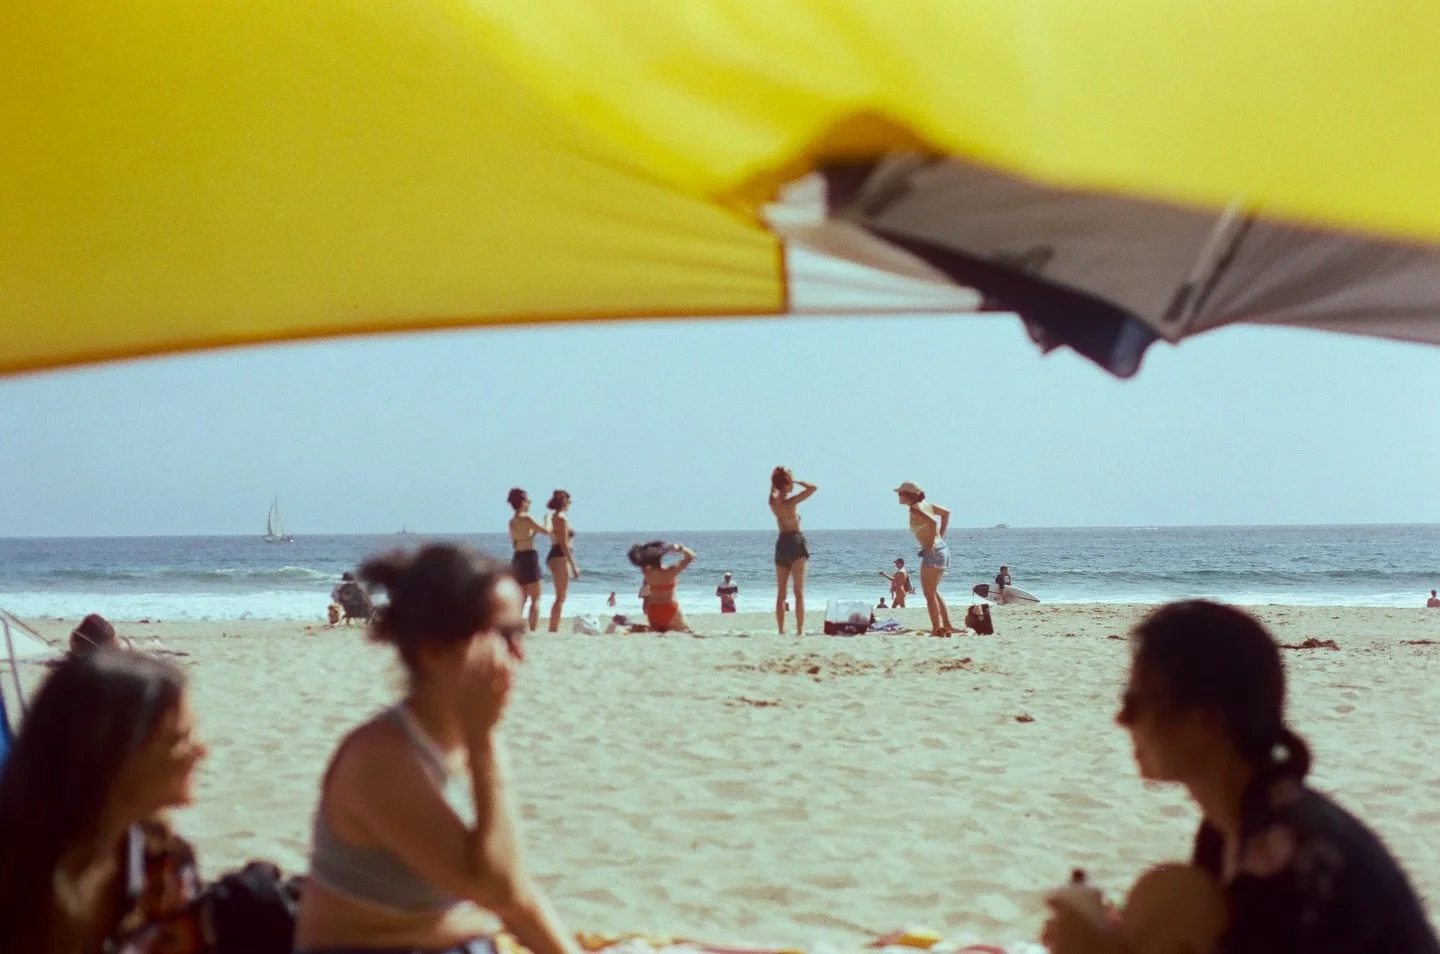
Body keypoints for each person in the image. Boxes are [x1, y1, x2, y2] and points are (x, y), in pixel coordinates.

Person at [1043, 600, 1440, 954]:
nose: (1121, 720)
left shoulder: (1285, 853)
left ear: (1206, 721)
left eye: (1135, 702)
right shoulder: (1234, 827)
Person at [294, 543, 579, 954]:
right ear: (433, 650)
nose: (519, 656)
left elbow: (521, 897)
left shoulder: (460, 738)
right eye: (504, 636)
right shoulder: (379, 759)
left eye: (520, 635)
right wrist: (484, 737)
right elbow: (502, 892)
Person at [0, 650, 210, 954]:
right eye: (180, 738)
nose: (201, 749)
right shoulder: (15, 872)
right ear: (115, 757)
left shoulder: (163, 862)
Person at [896, 481, 953, 636]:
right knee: (933, 591)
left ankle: (937, 628)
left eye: (900, 493)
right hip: (943, 550)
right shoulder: (926, 505)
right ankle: (946, 624)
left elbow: (932, 521)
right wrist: (939, 536)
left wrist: (929, 545)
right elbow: (946, 513)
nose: (898, 496)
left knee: (929, 594)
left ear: (908, 495)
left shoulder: (915, 509)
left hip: (933, 553)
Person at [769, 467, 818, 636]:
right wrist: (797, 481)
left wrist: (778, 481)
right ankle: (799, 630)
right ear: (786, 484)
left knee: (781, 592)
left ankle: (781, 630)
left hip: (782, 542)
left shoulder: (773, 502)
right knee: (798, 592)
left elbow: (773, 491)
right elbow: (813, 488)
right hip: (795, 542)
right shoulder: (791, 502)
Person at [506, 487, 550, 632]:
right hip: (529, 557)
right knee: (535, 599)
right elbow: (546, 531)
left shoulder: (512, 522)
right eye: (527, 499)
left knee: (521, 600)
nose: (529, 502)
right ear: (523, 502)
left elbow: (515, 542)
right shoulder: (527, 517)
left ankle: (515, 629)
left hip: (518, 558)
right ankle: (533, 629)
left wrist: (529, 535)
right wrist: (547, 519)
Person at [628, 541, 696, 633]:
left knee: (658, 630)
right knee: (686, 631)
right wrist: (680, 548)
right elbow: (691, 556)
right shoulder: (670, 572)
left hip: (653, 609)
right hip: (669, 607)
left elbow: (643, 563)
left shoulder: (647, 573)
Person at [544, 490, 581, 634]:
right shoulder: (561, 519)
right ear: (564, 502)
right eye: (568, 501)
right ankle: (553, 629)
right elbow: (564, 544)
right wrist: (574, 565)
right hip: (560, 555)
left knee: (560, 596)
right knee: (560, 596)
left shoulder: (553, 517)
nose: (570, 504)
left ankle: (553, 628)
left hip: (557, 555)